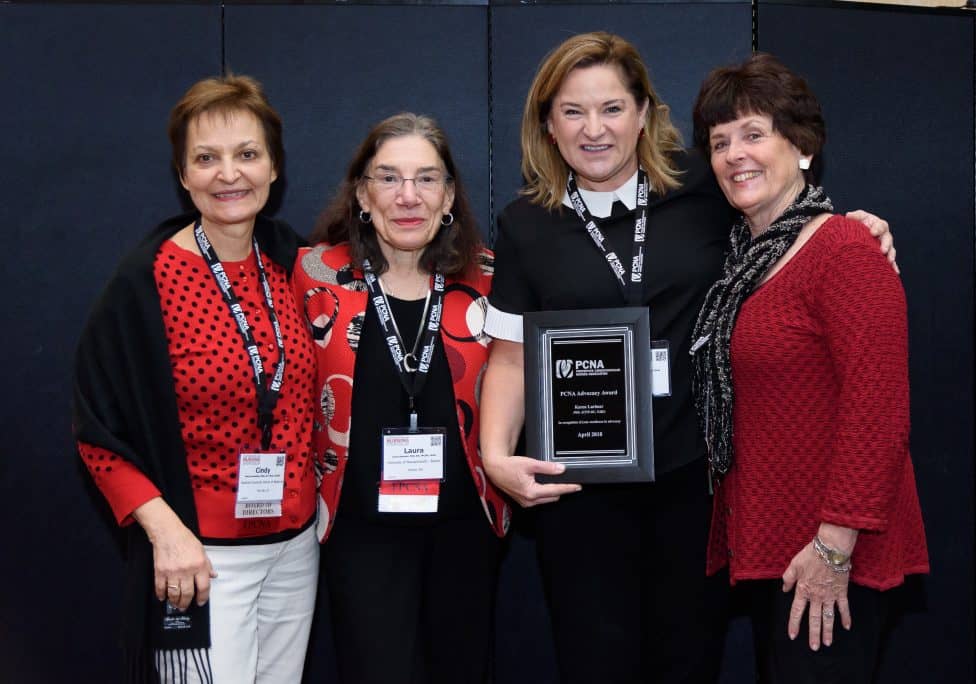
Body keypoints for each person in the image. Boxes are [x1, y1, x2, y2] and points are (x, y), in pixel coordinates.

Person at [478, 32, 896, 684]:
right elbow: (508, 357)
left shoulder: (705, 187)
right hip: (579, 498)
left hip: (697, 489)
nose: (595, 129)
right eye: (573, 111)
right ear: (547, 125)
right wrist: (495, 454)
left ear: (645, 113)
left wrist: (859, 228)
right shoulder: (526, 223)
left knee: (689, 664)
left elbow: (788, 230)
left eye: (613, 108)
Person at [690, 53, 929, 683]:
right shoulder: (745, 264)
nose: (735, 154)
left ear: (801, 146)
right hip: (776, 547)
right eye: (720, 142)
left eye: (753, 134)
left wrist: (834, 546)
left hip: (830, 556)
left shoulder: (845, 248)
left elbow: (878, 413)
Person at [73, 75, 318, 683]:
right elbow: (96, 431)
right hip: (201, 560)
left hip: (296, 550)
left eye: (247, 154)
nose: (229, 174)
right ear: (183, 175)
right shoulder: (145, 283)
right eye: (206, 159)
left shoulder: (295, 262)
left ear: (274, 167)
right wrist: (166, 533)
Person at [294, 112, 510, 684]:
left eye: (426, 178)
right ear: (362, 194)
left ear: (449, 196)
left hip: (465, 527)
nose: (407, 196)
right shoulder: (315, 275)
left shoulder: (490, 277)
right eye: (388, 178)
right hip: (359, 530)